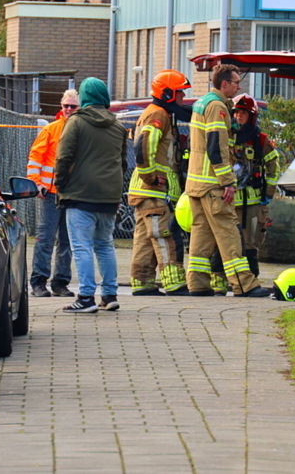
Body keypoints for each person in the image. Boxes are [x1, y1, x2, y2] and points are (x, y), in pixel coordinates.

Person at [184, 64, 269, 298]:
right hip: (213, 184)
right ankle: (244, 284)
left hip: (197, 184)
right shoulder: (217, 107)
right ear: (224, 84)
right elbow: (216, 146)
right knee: (229, 232)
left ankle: (198, 284)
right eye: (235, 82)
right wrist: (227, 181)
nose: (238, 86)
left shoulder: (202, 103)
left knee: (201, 235)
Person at [54, 78, 128, 313]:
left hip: (80, 194)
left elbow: (63, 156)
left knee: (82, 246)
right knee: (105, 245)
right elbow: (123, 163)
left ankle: (86, 297)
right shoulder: (117, 126)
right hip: (109, 197)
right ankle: (109, 294)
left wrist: (61, 184)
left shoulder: (76, 122)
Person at [128, 70, 192, 296]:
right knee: (164, 235)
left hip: (145, 191)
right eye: (180, 93)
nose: (183, 98)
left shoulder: (160, 113)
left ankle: (143, 283)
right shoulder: (158, 115)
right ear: (167, 94)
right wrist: (152, 178)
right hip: (153, 191)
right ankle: (174, 283)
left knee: (146, 239)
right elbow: (143, 147)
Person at [26, 89, 78, 298]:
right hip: (49, 194)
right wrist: (37, 184)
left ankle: (60, 283)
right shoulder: (51, 130)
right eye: (65, 105)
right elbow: (35, 159)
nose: (68, 109)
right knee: (45, 239)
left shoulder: (81, 131)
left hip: (72, 194)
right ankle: (39, 281)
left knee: (67, 241)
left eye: (72, 106)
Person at [231, 94, 279, 275]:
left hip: (252, 201)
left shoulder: (261, 140)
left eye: (243, 113)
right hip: (228, 199)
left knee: (250, 241)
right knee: (228, 240)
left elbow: (273, 165)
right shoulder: (226, 136)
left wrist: (268, 192)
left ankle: (251, 277)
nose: (238, 116)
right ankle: (225, 279)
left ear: (252, 116)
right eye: (236, 112)